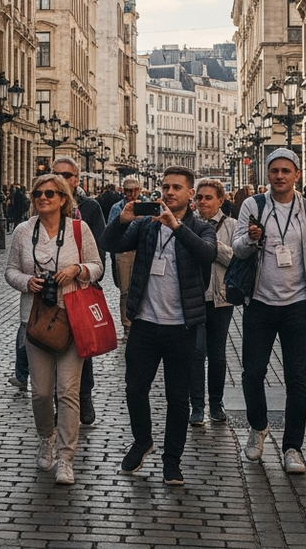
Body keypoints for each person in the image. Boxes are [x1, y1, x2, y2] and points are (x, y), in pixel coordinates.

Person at [104, 165, 217, 486]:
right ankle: (142, 441)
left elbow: (206, 254)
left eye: (176, 188)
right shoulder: (146, 225)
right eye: (165, 186)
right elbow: (111, 244)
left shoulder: (201, 227)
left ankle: (172, 461)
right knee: (135, 389)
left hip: (182, 327)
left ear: (190, 194)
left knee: (177, 398)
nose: (169, 192)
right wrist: (122, 219)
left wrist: (177, 226)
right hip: (144, 323)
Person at [232, 148, 306, 475]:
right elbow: (237, 248)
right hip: (260, 303)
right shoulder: (254, 206)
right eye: (274, 170)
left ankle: (292, 447)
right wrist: (251, 240)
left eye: (286, 170)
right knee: (252, 373)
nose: (280, 176)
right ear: (268, 174)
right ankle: (258, 425)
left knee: (297, 379)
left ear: (297, 174)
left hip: (296, 306)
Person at [5, 173, 103, 485]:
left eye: (50, 193)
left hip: (73, 316)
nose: (43, 198)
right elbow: (10, 271)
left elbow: (98, 267)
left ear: (63, 198)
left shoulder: (78, 228)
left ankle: (66, 457)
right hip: (36, 320)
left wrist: (77, 270)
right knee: (41, 392)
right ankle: (46, 437)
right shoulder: (23, 231)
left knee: (68, 392)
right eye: (37, 194)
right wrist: (27, 282)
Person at [52, 156, 106, 426]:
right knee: (49, 344)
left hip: (80, 288)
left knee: (82, 347)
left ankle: (84, 396)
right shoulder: (43, 203)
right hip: (50, 291)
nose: (62, 179)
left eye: (67, 174)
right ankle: (56, 401)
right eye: (56, 173)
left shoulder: (90, 207)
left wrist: (84, 272)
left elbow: (98, 249)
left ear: (76, 179)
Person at [189, 178, 235, 425]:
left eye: (208, 197)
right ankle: (196, 405)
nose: (203, 202)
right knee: (196, 353)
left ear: (220, 200)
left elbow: (237, 260)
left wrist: (211, 246)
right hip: (194, 297)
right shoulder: (187, 225)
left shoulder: (232, 226)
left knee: (217, 354)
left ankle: (216, 403)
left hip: (220, 300)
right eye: (199, 197)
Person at [107, 176, 142, 338]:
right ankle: (127, 324)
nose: (132, 194)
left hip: (142, 250)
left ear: (139, 190)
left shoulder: (146, 205)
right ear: (123, 191)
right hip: (124, 253)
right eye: (129, 190)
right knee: (125, 290)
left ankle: (141, 322)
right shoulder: (117, 207)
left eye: (135, 190)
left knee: (143, 288)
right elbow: (111, 231)